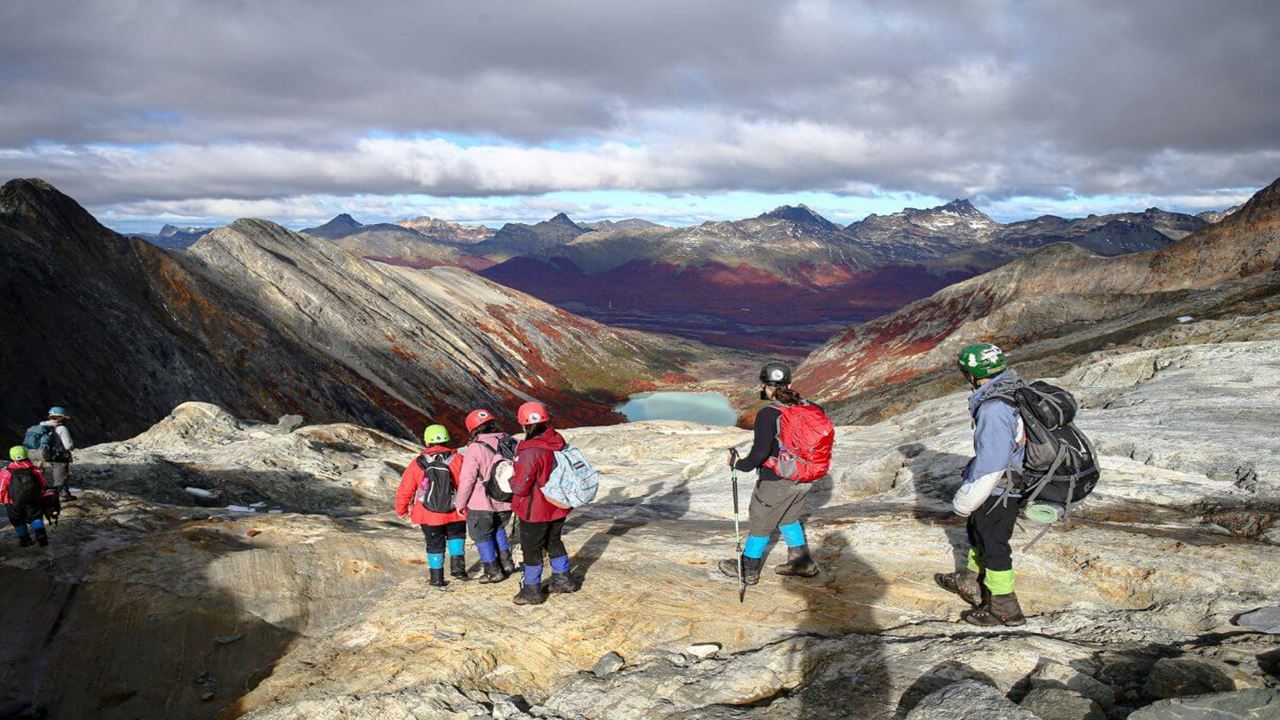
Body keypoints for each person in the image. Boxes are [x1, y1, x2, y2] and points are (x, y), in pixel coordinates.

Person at [935, 342, 1028, 626]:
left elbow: (992, 463)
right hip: (1008, 481)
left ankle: (1004, 607)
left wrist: (964, 502)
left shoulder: (994, 408)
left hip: (1002, 487)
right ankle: (973, 580)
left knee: (993, 543)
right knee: (978, 532)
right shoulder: (1013, 388)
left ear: (971, 374)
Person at [719, 361, 823, 585]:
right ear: (790, 383)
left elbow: (760, 453)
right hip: (805, 477)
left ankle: (748, 569)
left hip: (777, 479)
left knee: (760, 522)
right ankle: (802, 563)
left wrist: (738, 464)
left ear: (764, 387)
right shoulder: (813, 407)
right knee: (789, 517)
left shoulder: (769, 414)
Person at [509, 401, 579, 605]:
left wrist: (508, 479)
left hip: (535, 510)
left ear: (525, 424)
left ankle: (531, 589)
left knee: (531, 548)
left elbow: (520, 486)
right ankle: (563, 579)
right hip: (558, 506)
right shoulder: (558, 443)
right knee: (554, 541)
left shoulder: (530, 451)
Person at [395, 424, 469, 587]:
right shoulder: (458, 460)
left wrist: (401, 510)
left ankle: (436, 578)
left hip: (427, 514)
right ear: (447, 440)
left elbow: (405, 490)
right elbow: (467, 484)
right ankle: (458, 569)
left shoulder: (417, 464)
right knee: (456, 535)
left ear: (427, 442)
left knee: (434, 543)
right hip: (455, 510)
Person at [456, 408, 518, 584]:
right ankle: (507, 563)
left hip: (482, 502)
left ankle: (492, 571)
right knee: (498, 529)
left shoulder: (475, 448)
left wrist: (461, 503)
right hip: (506, 499)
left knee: (481, 535)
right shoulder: (510, 441)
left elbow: (467, 479)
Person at [1, 446, 49, 548]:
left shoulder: (6, 472)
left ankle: (25, 540)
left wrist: (3, 500)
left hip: (13, 502)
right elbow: (43, 484)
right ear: (26, 455)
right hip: (34, 500)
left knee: (18, 521)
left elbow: (2, 487)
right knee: (36, 517)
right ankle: (41, 535)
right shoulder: (35, 469)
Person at [26, 407, 75, 501]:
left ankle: (40, 493)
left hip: (39, 454)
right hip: (56, 455)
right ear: (61, 417)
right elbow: (68, 446)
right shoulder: (61, 428)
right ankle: (62, 493)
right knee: (60, 472)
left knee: (40, 475)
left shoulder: (40, 426)